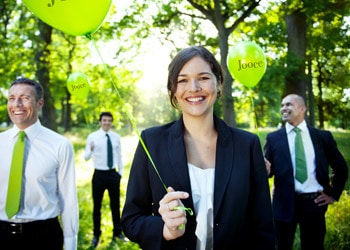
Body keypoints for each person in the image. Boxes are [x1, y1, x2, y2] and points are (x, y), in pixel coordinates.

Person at [121, 46, 275, 250]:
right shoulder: (151, 141)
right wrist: (165, 230)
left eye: (203, 77)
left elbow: (263, 227)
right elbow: (131, 220)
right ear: (173, 90)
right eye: (182, 80)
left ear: (218, 83)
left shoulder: (247, 145)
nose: (193, 88)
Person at [0, 78, 79, 250]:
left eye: (25, 98)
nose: (17, 104)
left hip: (43, 236)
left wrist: (71, 244)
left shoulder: (60, 145)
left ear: (40, 103)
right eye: (12, 98)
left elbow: (68, 199)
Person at [264, 94, 348, 250]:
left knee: (314, 246)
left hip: (314, 203)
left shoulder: (322, 137)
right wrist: (265, 169)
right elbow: (268, 172)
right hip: (283, 203)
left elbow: (341, 167)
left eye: (288, 105)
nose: (284, 108)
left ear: (302, 109)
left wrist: (333, 194)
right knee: (281, 246)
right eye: (282, 105)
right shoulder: (273, 138)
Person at [84, 111, 125, 247]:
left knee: (115, 205)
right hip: (99, 175)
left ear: (111, 122)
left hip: (113, 174)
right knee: (97, 206)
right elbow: (86, 157)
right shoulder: (92, 136)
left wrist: (120, 173)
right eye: (104, 120)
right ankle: (96, 234)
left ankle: (117, 233)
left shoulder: (116, 137)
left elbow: (119, 156)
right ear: (100, 122)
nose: (107, 123)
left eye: (109, 120)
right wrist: (90, 149)